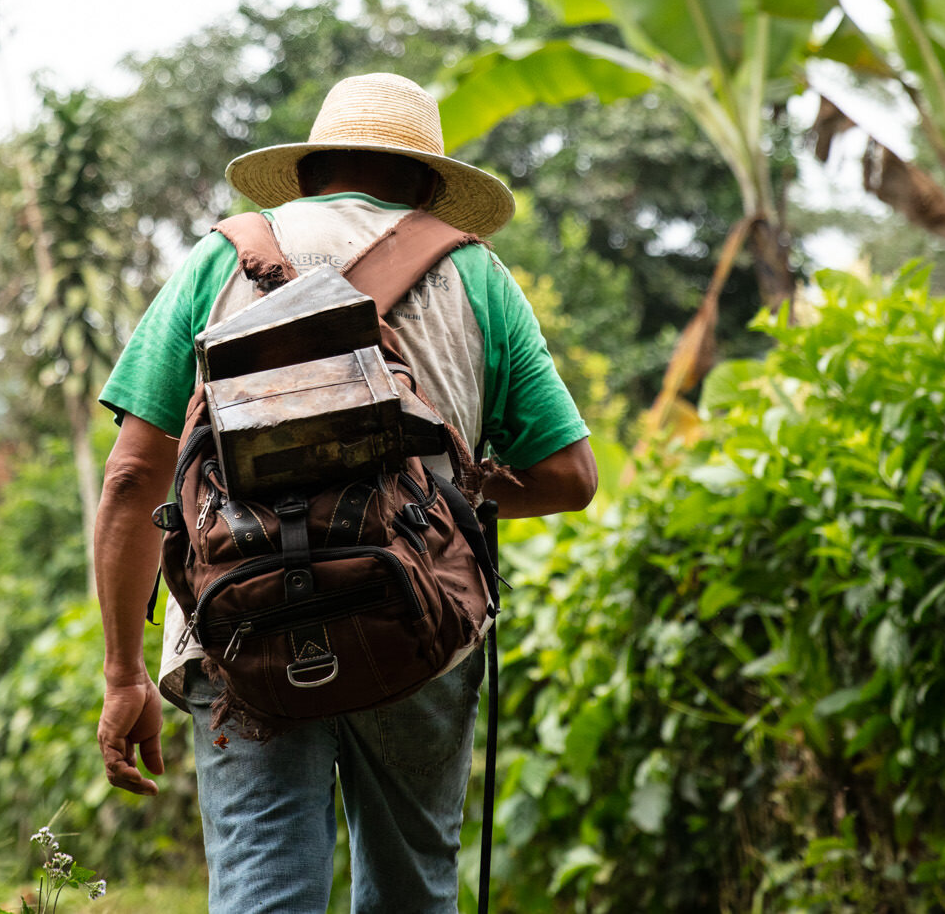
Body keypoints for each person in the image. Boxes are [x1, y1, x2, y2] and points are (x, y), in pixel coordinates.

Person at [92, 71, 598, 914]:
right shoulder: (478, 278)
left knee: (263, 890)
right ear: (432, 186)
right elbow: (570, 476)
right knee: (411, 893)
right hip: (417, 619)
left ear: (312, 168)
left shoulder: (218, 259)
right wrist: (453, 491)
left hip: (241, 621)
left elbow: (132, 476)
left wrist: (123, 674)